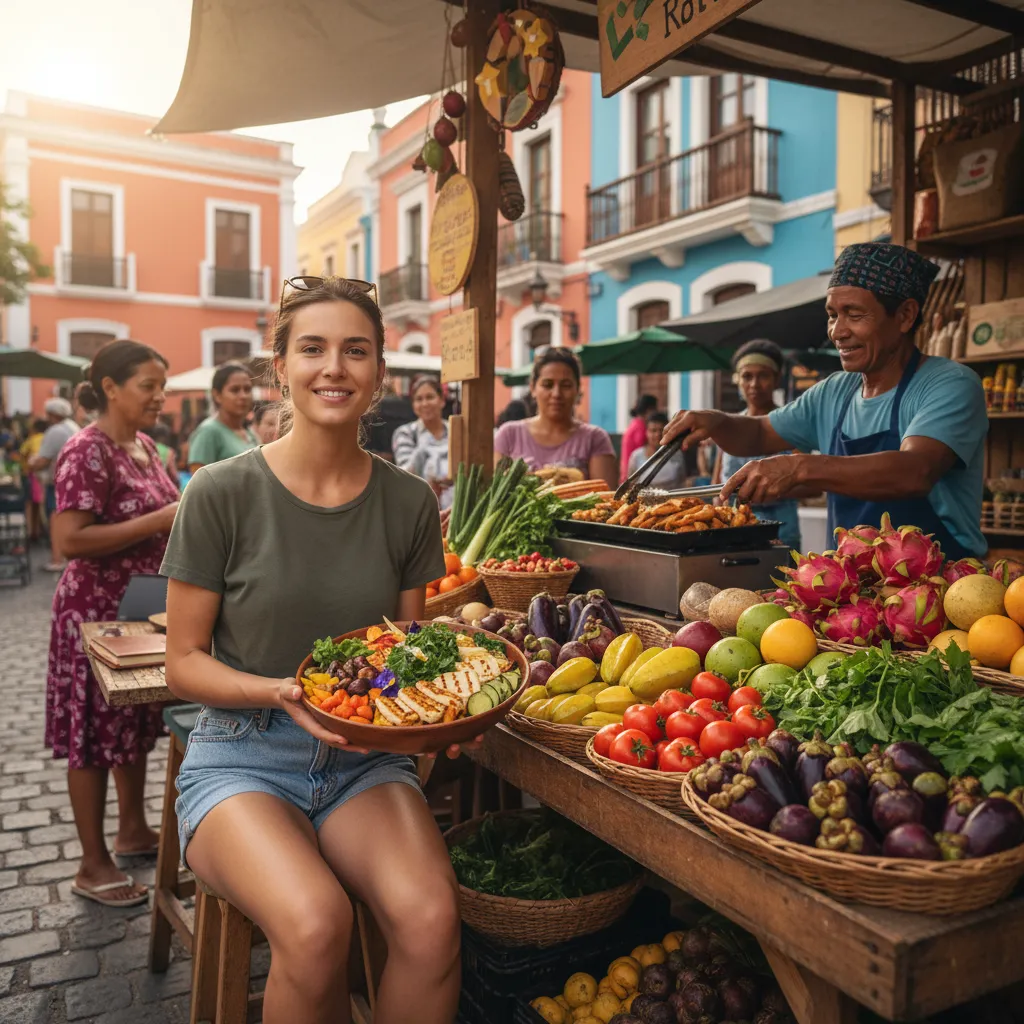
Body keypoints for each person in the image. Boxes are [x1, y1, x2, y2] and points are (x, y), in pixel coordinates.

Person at [160, 277, 461, 1024]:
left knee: (431, 922)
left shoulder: (409, 501)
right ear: (281, 367)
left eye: (355, 350)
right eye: (313, 349)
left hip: (365, 761)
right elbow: (183, 663)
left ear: (379, 372)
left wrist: (443, 709)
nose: (335, 367)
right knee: (317, 923)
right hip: (243, 755)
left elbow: (402, 652)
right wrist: (275, 691)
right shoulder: (219, 492)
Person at [662, 242, 988, 559]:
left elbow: (914, 471)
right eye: (832, 315)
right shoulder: (834, 391)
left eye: (854, 314)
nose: (837, 332)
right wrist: (716, 421)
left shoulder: (949, 384)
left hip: (941, 583)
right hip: (850, 586)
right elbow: (759, 432)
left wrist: (799, 467)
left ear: (905, 316)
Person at [46, 340, 180, 908]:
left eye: (161, 386)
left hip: (137, 608)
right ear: (110, 388)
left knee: (130, 721)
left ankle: (131, 829)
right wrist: (160, 519)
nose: (160, 397)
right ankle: (92, 863)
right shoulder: (86, 450)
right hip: (93, 614)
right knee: (91, 736)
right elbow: (68, 540)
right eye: (148, 386)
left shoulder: (145, 446)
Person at [712, 340, 802, 551]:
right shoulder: (729, 426)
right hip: (733, 531)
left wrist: (771, 488)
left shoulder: (790, 423)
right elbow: (716, 482)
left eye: (763, 376)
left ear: (777, 379)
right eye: (747, 376)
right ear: (737, 380)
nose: (754, 384)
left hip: (780, 533)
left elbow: (813, 486)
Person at [494, 347, 618, 483]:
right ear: (533, 388)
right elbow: (497, 490)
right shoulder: (509, 435)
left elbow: (606, 493)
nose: (556, 394)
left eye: (566, 385)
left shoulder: (595, 438)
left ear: (578, 389)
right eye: (547, 385)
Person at [30, 397, 80, 572]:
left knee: (55, 518)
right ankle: (67, 558)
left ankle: (57, 559)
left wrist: (31, 462)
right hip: (74, 480)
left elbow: (43, 460)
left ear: (52, 414)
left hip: (59, 482)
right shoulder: (73, 427)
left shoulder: (55, 431)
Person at [391, 375, 452, 509]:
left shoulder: (455, 431)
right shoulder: (406, 433)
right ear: (413, 406)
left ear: (442, 401)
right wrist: (423, 446)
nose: (425, 404)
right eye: (419, 399)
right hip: (419, 508)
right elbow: (404, 474)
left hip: (455, 508)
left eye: (430, 397)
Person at [186, 363, 257, 471]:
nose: (243, 396)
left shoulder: (250, 434)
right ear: (217, 395)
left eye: (247, 389)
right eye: (235, 390)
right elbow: (198, 477)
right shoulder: (208, 432)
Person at [627, 411, 688, 489]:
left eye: (662, 430)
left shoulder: (676, 454)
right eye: (653, 430)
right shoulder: (636, 456)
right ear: (646, 432)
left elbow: (682, 482)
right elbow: (630, 485)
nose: (657, 434)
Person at [19, 418, 47, 543]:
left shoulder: (31, 440)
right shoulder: (47, 438)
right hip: (48, 476)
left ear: (34, 429)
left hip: (33, 475)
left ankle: (32, 531)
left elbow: (22, 453)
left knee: (31, 504)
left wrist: (25, 468)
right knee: (41, 502)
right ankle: (42, 530)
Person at [620, 393, 658, 482]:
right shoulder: (641, 427)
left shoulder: (634, 423)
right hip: (633, 475)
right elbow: (642, 455)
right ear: (649, 409)